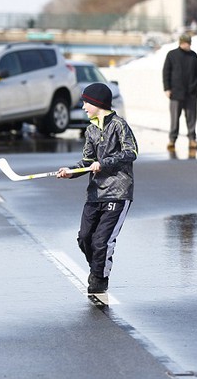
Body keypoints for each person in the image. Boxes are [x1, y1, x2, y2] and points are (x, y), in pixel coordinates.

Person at [56, 83, 138, 294]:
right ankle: (97, 268)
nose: (83, 107)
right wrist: (70, 172)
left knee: (101, 241)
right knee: (85, 238)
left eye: (86, 102)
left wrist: (105, 163)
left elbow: (131, 152)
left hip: (118, 192)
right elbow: (86, 162)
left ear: (97, 103)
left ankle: (99, 278)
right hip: (95, 194)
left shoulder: (119, 125)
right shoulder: (91, 129)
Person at [162, 33, 197, 150]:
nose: (187, 45)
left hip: (191, 93)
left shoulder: (193, 55)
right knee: (174, 118)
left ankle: (192, 139)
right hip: (175, 93)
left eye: (189, 43)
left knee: (191, 118)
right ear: (180, 43)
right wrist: (167, 88)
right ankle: (172, 140)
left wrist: (195, 88)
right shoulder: (172, 55)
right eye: (185, 43)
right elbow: (166, 72)